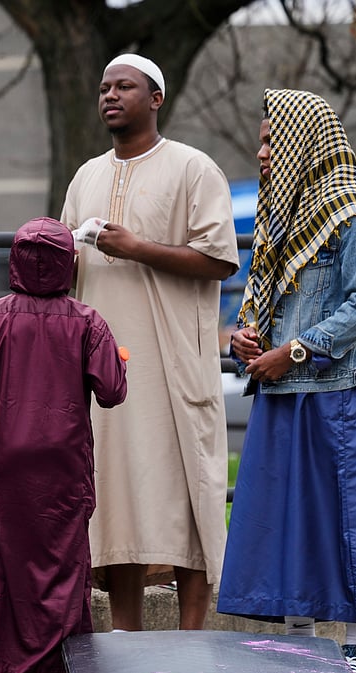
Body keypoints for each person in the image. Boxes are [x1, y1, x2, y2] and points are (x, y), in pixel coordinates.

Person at [216, 89, 356, 673]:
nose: (262, 151)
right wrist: (252, 339)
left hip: (331, 394)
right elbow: (274, 302)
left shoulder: (351, 214)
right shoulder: (282, 215)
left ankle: (352, 651)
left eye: (273, 139)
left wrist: (293, 350)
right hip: (278, 393)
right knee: (285, 522)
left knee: (343, 522)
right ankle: (296, 653)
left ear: (304, 141)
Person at [60, 53, 239, 632]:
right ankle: (127, 639)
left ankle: (192, 638)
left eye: (125, 87)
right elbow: (63, 263)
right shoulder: (86, 175)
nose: (110, 95)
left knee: (183, 496)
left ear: (156, 98)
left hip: (170, 364)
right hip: (102, 370)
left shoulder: (193, 168)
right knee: (116, 502)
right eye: (105, 87)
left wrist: (136, 248)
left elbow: (219, 260)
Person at [0, 217, 128, 673]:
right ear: (70, 263)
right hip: (64, 467)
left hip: (0, 465)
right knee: (61, 572)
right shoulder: (88, 322)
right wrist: (118, 359)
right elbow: (111, 391)